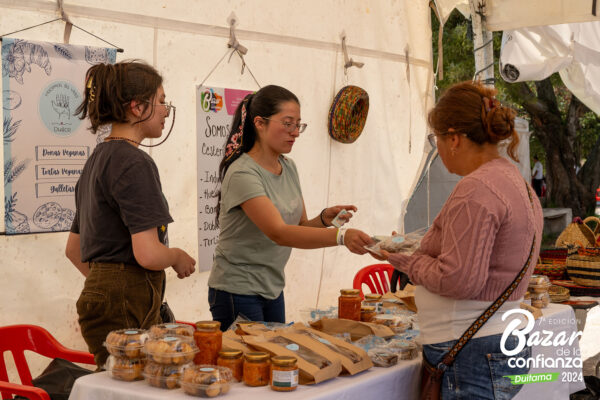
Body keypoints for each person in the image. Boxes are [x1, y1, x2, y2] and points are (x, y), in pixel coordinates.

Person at [372, 81, 543, 399]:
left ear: (453, 138)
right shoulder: (515, 182)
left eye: (434, 138)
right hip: (498, 340)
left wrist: (408, 260)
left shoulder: (477, 189)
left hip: (471, 348)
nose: (436, 147)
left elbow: (459, 280)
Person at [207, 85, 373, 330]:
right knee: (254, 362)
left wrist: (325, 219)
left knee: (274, 361)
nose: (295, 132)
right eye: (287, 123)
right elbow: (279, 233)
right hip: (237, 289)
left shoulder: (289, 167)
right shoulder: (242, 172)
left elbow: (300, 227)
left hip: (272, 287)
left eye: (298, 125)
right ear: (260, 123)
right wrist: (341, 237)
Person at [65, 61, 196, 368]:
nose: (166, 110)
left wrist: (106, 283)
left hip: (99, 294)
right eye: (161, 101)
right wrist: (176, 255)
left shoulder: (97, 160)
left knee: (117, 382)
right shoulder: (134, 162)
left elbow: (74, 250)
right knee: (133, 387)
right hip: (126, 303)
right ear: (137, 107)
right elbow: (148, 254)